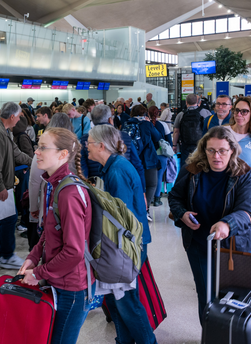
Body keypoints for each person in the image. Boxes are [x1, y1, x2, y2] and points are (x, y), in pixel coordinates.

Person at [167, 126, 251, 324]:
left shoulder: (244, 173)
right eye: (211, 150)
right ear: (204, 150)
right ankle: (209, 334)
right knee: (206, 293)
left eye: (222, 151)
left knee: (231, 295)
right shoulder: (192, 170)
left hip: (233, 246)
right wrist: (182, 214)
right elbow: (175, 197)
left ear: (232, 150)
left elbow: (249, 210)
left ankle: (230, 333)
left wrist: (227, 223)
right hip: (199, 244)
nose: (216, 156)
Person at [17, 127, 93, 344]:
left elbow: (74, 252)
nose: (36, 152)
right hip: (60, 280)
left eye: (43, 147)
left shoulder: (69, 193)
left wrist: (38, 273)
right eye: (37, 146)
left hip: (72, 288)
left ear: (63, 154)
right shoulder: (56, 185)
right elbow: (49, 231)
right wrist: (33, 256)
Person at [85, 124, 157, 344]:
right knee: (117, 300)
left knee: (127, 302)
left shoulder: (116, 171)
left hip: (126, 246)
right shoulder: (114, 166)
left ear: (101, 145)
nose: (86, 146)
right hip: (126, 243)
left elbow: (121, 217)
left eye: (89, 142)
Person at [0, 102, 33, 270]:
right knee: (9, 219)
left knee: (3, 219)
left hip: (2, 184)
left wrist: (35, 162)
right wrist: (0, 188)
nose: (19, 120)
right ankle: (6, 255)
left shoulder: (5, 131)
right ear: (12, 116)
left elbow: (16, 153)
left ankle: (1, 253)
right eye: (19, 117)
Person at [26, 113, 74, 249]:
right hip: (69, 207)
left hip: (50, 206)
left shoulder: (45, 153)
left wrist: (33, 207)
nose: (36, 152)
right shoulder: (75, 149)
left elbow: (34, 182)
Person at [80, 105, 146, 192]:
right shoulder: (124, 136)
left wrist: (85, 189)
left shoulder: (85, 139)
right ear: (110, 119)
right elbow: (137, 164)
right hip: (123, 185)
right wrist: (142, 191)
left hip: (96, 188)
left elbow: (83, 168)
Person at [124, 106, 163, 213]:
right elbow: (158, 137)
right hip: (148, 159)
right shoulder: (146, 124)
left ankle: (134, 208)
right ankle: (145, 209)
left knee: (135, 184)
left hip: (132, 158)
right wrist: (150, 123)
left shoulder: (127, 124)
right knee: (152, 184)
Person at [172, 94, 212, 166]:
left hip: (186, 145)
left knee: (186, 166)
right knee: (201, 165)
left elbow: (176, 131)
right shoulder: (205, 112)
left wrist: (174, 145)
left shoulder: (181, 114)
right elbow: (211, 129)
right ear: (197, 101)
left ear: (186, 102)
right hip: (201, 144)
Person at [149, 106, 173, 207]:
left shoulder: (145, 124)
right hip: (161, 154)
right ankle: (157, 199)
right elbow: (169, 141)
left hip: (149, 155)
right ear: (158, 113)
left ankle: (149, 198)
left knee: (149, 177)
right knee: (159, 177)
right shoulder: (163, 125)